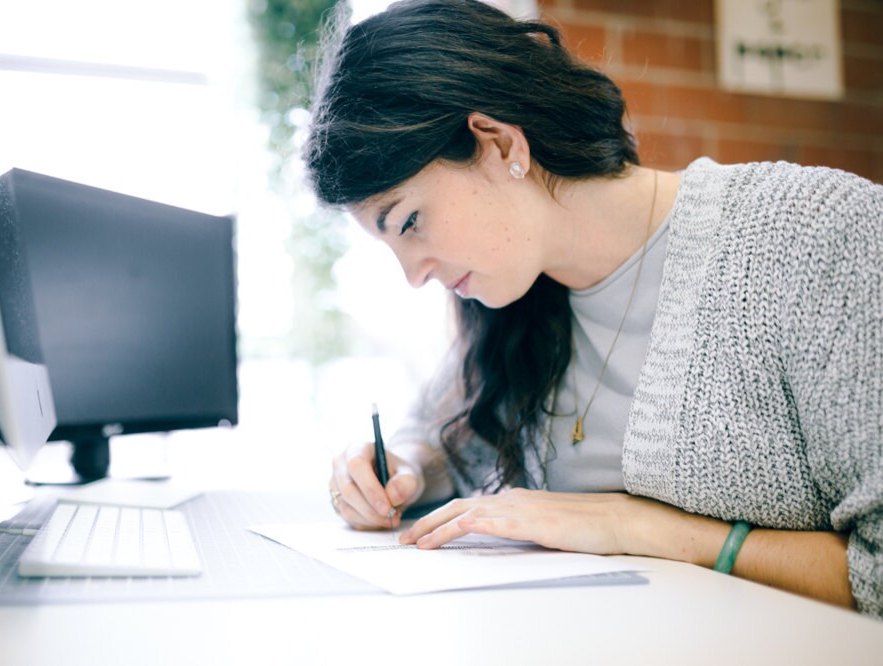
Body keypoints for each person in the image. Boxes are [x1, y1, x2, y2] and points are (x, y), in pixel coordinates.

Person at [303, 0, 883, 617]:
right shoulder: (516, 298)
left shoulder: (816, 233)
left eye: (410, 222)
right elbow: (447, 442)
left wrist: (649, 530)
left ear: (498, 145)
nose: (413, 275)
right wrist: (404, 468)